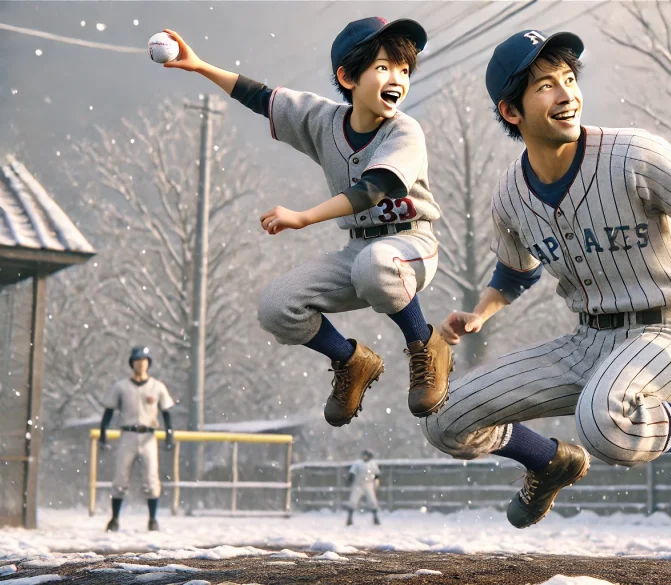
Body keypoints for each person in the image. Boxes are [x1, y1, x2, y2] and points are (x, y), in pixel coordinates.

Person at [424, 29, 671, 530]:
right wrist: (481, 312)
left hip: (667, 331)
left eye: (569, 78)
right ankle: (547, 461)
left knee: (604, 426)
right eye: (544, 86)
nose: (566, 93)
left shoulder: (630, 155)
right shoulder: (510, 193)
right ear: (512, 112)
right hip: (587, 340)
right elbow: (516, 269)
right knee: (445, 421)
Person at [159, 18, 453, 427]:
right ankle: (351, 362)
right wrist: (200, 66)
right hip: (359, 249)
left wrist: (304, 216)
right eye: (384, 67)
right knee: (277, 306)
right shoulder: (323, 120)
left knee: (376, 266)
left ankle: (425, 344)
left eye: (404, 69)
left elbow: (374, 189)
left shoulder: (405, 130)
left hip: (412, 244)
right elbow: (261, 97)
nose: (398, 78)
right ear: (347, 76)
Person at [99, 346, 175, 532]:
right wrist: (103, 433)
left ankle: (152, 519)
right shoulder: (121, 386)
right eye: (137, 360)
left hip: (149, 435)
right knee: (120, 478)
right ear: (131, 363)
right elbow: (108, 412)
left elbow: (166, 412)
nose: (140, 364)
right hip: (128, 434)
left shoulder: (156, 387)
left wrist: (169, 434)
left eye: (144, 360)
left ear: (148, 363)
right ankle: (115, 518)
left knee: (151, 478)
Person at [346, 449, 382, 526]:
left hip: (368, 484)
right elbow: (352, 472)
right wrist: (350, 479)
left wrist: (376, 483)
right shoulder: (358, 463)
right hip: (358, 484)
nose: (365, 457)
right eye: (364, 455)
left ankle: (375, 518)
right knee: (353, 501)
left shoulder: (372, 464)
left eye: (366, 456)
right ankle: (349, 518)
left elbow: (376, 474)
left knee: (372, 501)